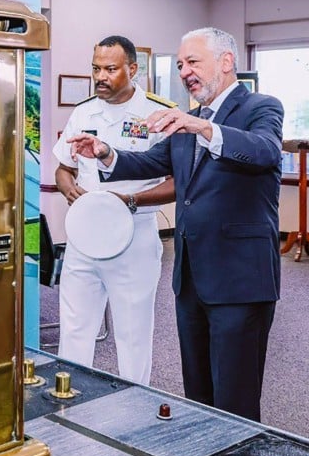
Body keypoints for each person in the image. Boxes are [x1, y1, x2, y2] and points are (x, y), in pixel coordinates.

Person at [67, 27, 283, 422]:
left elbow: (265, 151)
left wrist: (202, 127)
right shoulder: (189, 120)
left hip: (239, 278)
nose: (184, 72)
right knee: (197, 387)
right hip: (192, 275)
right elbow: (150, 163)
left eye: (192, 62)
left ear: (226, 62)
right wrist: (105, 152)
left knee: (235, 391)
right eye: (181, 64)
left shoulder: (260, 108)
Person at [52, 35, 176, 385]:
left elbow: (178, 182)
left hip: (133, 235)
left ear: (132, 69)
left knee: (133, 332)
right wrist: (67, 188)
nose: (100, 76)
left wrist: (131, 201)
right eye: (95, 68)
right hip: (84, 237)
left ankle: (134, 405)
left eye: (110, 69)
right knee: (75, 328)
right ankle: (69, 398)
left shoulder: (157, 114)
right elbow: (63, 168)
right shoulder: (83, 111)